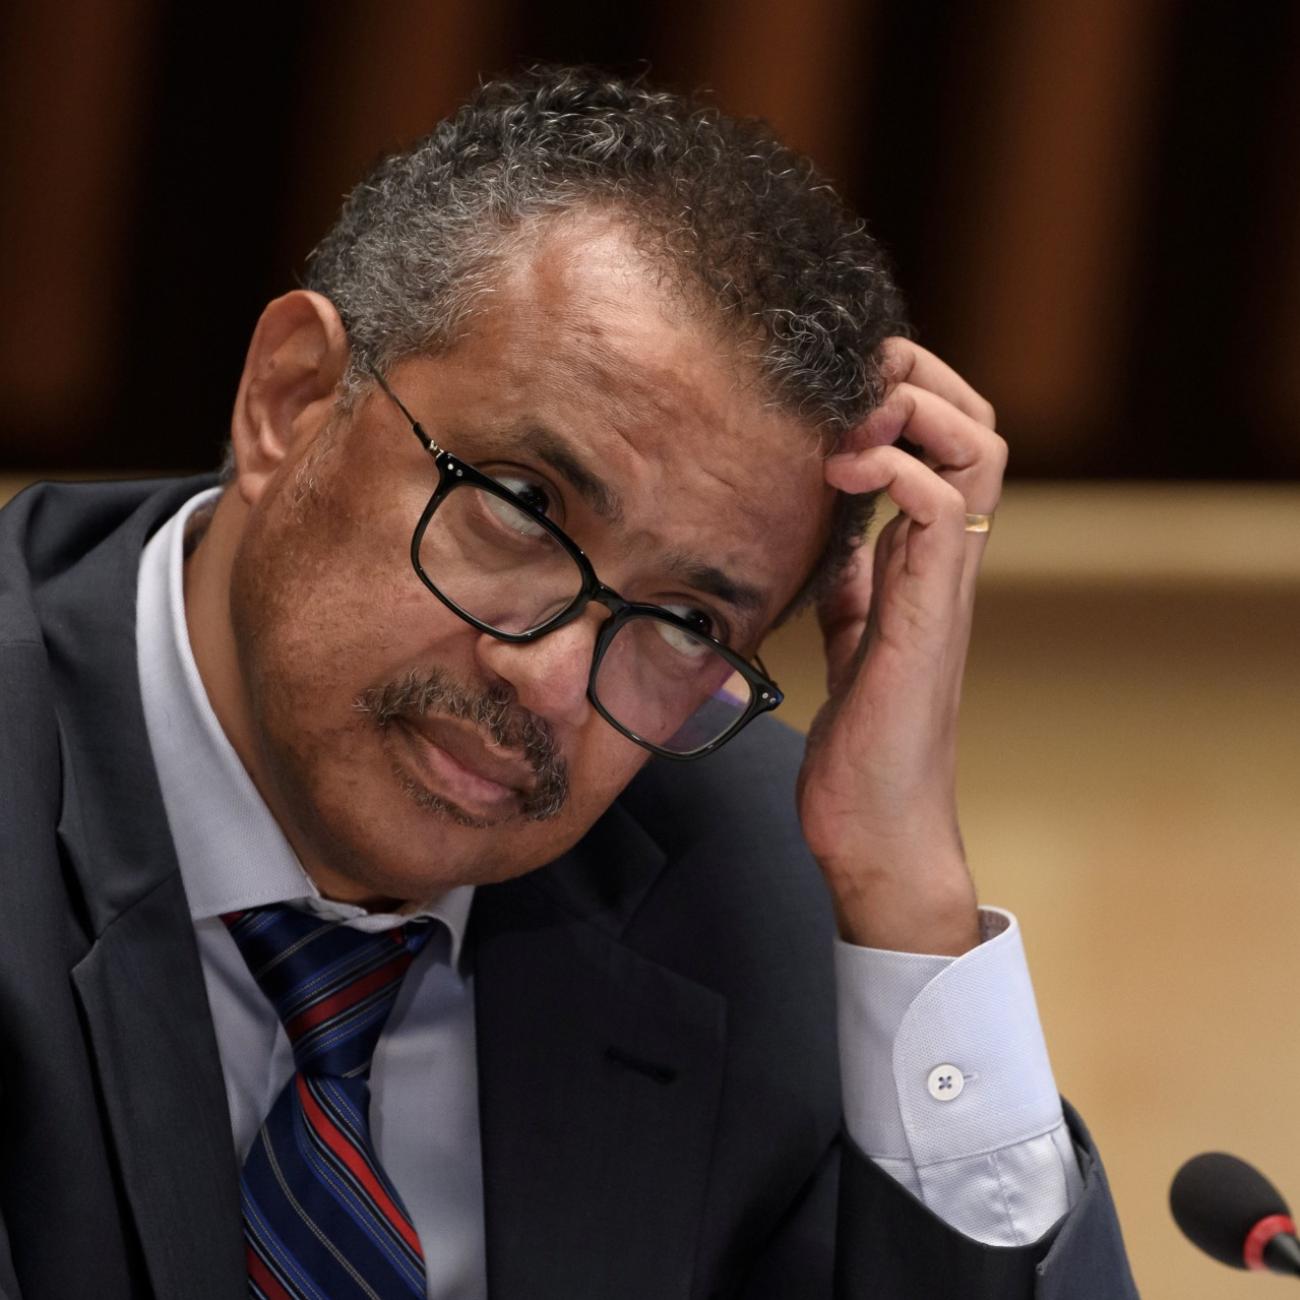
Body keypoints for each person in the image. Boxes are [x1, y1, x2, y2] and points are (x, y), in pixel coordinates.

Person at [0, 67, 1137, 1299]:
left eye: (687, 620)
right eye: (521, 505)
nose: (547, 674)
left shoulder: (748, 898)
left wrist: (903, 892)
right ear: (292, 397)